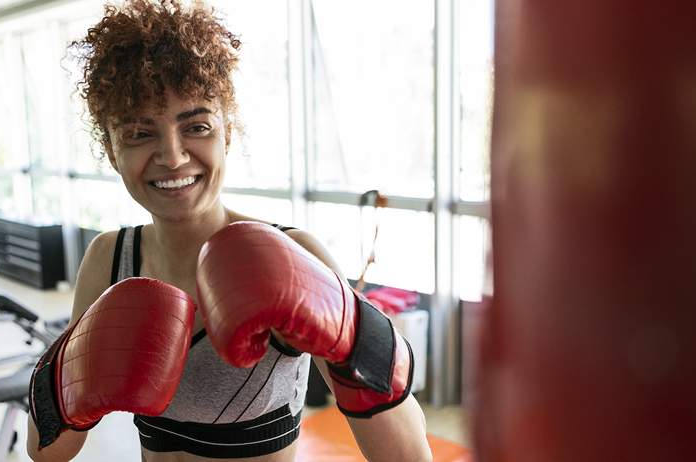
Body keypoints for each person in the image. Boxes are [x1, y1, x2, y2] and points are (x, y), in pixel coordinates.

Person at [26, 1, 432, 461]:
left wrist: (351, 339)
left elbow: (408, 456)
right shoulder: (109, 258)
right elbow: (49, 453)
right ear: (112, 148)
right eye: (140, 133)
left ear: (227, 133)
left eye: (196, 126)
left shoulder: (293, 251)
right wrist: (66, 389)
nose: (173, 157)